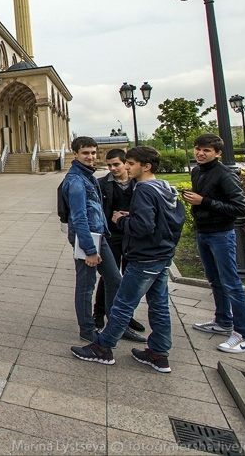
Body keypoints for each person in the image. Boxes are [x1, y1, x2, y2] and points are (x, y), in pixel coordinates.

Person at [72, 146, 184, 373]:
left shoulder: (143, 190)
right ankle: (159, 352)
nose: (126, 167)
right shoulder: (164, 187)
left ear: (146, 166)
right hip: (162, 255)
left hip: (145, 257)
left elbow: (144, 226)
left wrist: (121, 220)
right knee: (159, 305)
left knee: (123, 304)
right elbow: (173, 219)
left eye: (130, 164)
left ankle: (102, 348)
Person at [183, 133, 245, 354]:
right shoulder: (197, 171)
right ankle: (223, 320)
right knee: (215, 280)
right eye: (198, 148)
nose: (200, 153)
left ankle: (243, 335)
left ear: (218, 153)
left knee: (231, 283)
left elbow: (241, 209)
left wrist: (203, 201)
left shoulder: (225, 174)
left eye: (206, 150)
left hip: (221, 234)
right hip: (203, 232)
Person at [62, 137, 121, 342]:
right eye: (85, 153)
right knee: (86, 285)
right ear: (75, 154)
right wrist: (89, 250)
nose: (90, 157)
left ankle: (116, 324)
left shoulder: (88, 176)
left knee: (114, 279)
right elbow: (78, 217)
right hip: (88, 238)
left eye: (93, 153)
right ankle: (87, 329)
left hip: (98, 234)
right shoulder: (76, 181)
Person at [93, 149, 147, 343]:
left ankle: (125, 315)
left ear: (126, 163)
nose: (113, 169)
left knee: (129, 278)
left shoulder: (138, 184)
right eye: (109, 165)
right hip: (111, 237)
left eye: (116, 164)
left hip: (132, 237)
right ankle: (98, 314)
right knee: (109, 277)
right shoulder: (101, 185)